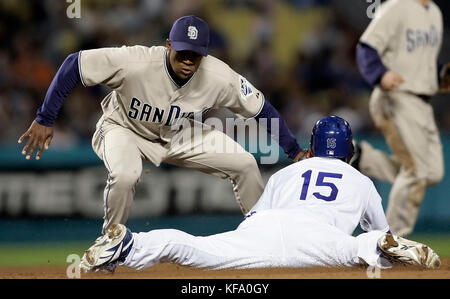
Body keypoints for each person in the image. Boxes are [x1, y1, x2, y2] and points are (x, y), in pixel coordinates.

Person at [18, 16, 306, 234]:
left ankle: (261, 237)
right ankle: (110, 243)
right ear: (168, 45)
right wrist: (45, 117)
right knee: (125, 176)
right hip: (123, 128)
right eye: (182, 52)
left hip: (179, 134)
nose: (188, 60)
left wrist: (293, 150)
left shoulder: (220, 77)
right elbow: (74, 64)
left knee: (244, 164)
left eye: (195, 54)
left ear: (204, 54)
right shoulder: (134, 61)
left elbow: (260, 109)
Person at [79, 116, 440, 273]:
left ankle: (129, 244)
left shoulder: (286, 172)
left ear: (311, 149)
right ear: (348, 153)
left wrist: (249, 241)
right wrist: (383, 242)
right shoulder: (360, 181)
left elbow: (253, 217)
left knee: (194, 247)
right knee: (366, 246)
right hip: (320, 238)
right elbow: (381, 227)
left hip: (266, 227)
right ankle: (377, 249)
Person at [354, 0, 449, 236]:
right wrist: (379, 74)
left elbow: (420, 59)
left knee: (432, 172)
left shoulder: (435, 12)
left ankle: (360, 157)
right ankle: (392, 241)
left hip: (422, 101)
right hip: (396, 95)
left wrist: (439, 73)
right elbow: (366, 47)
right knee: (417, 171)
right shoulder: (395, 6)